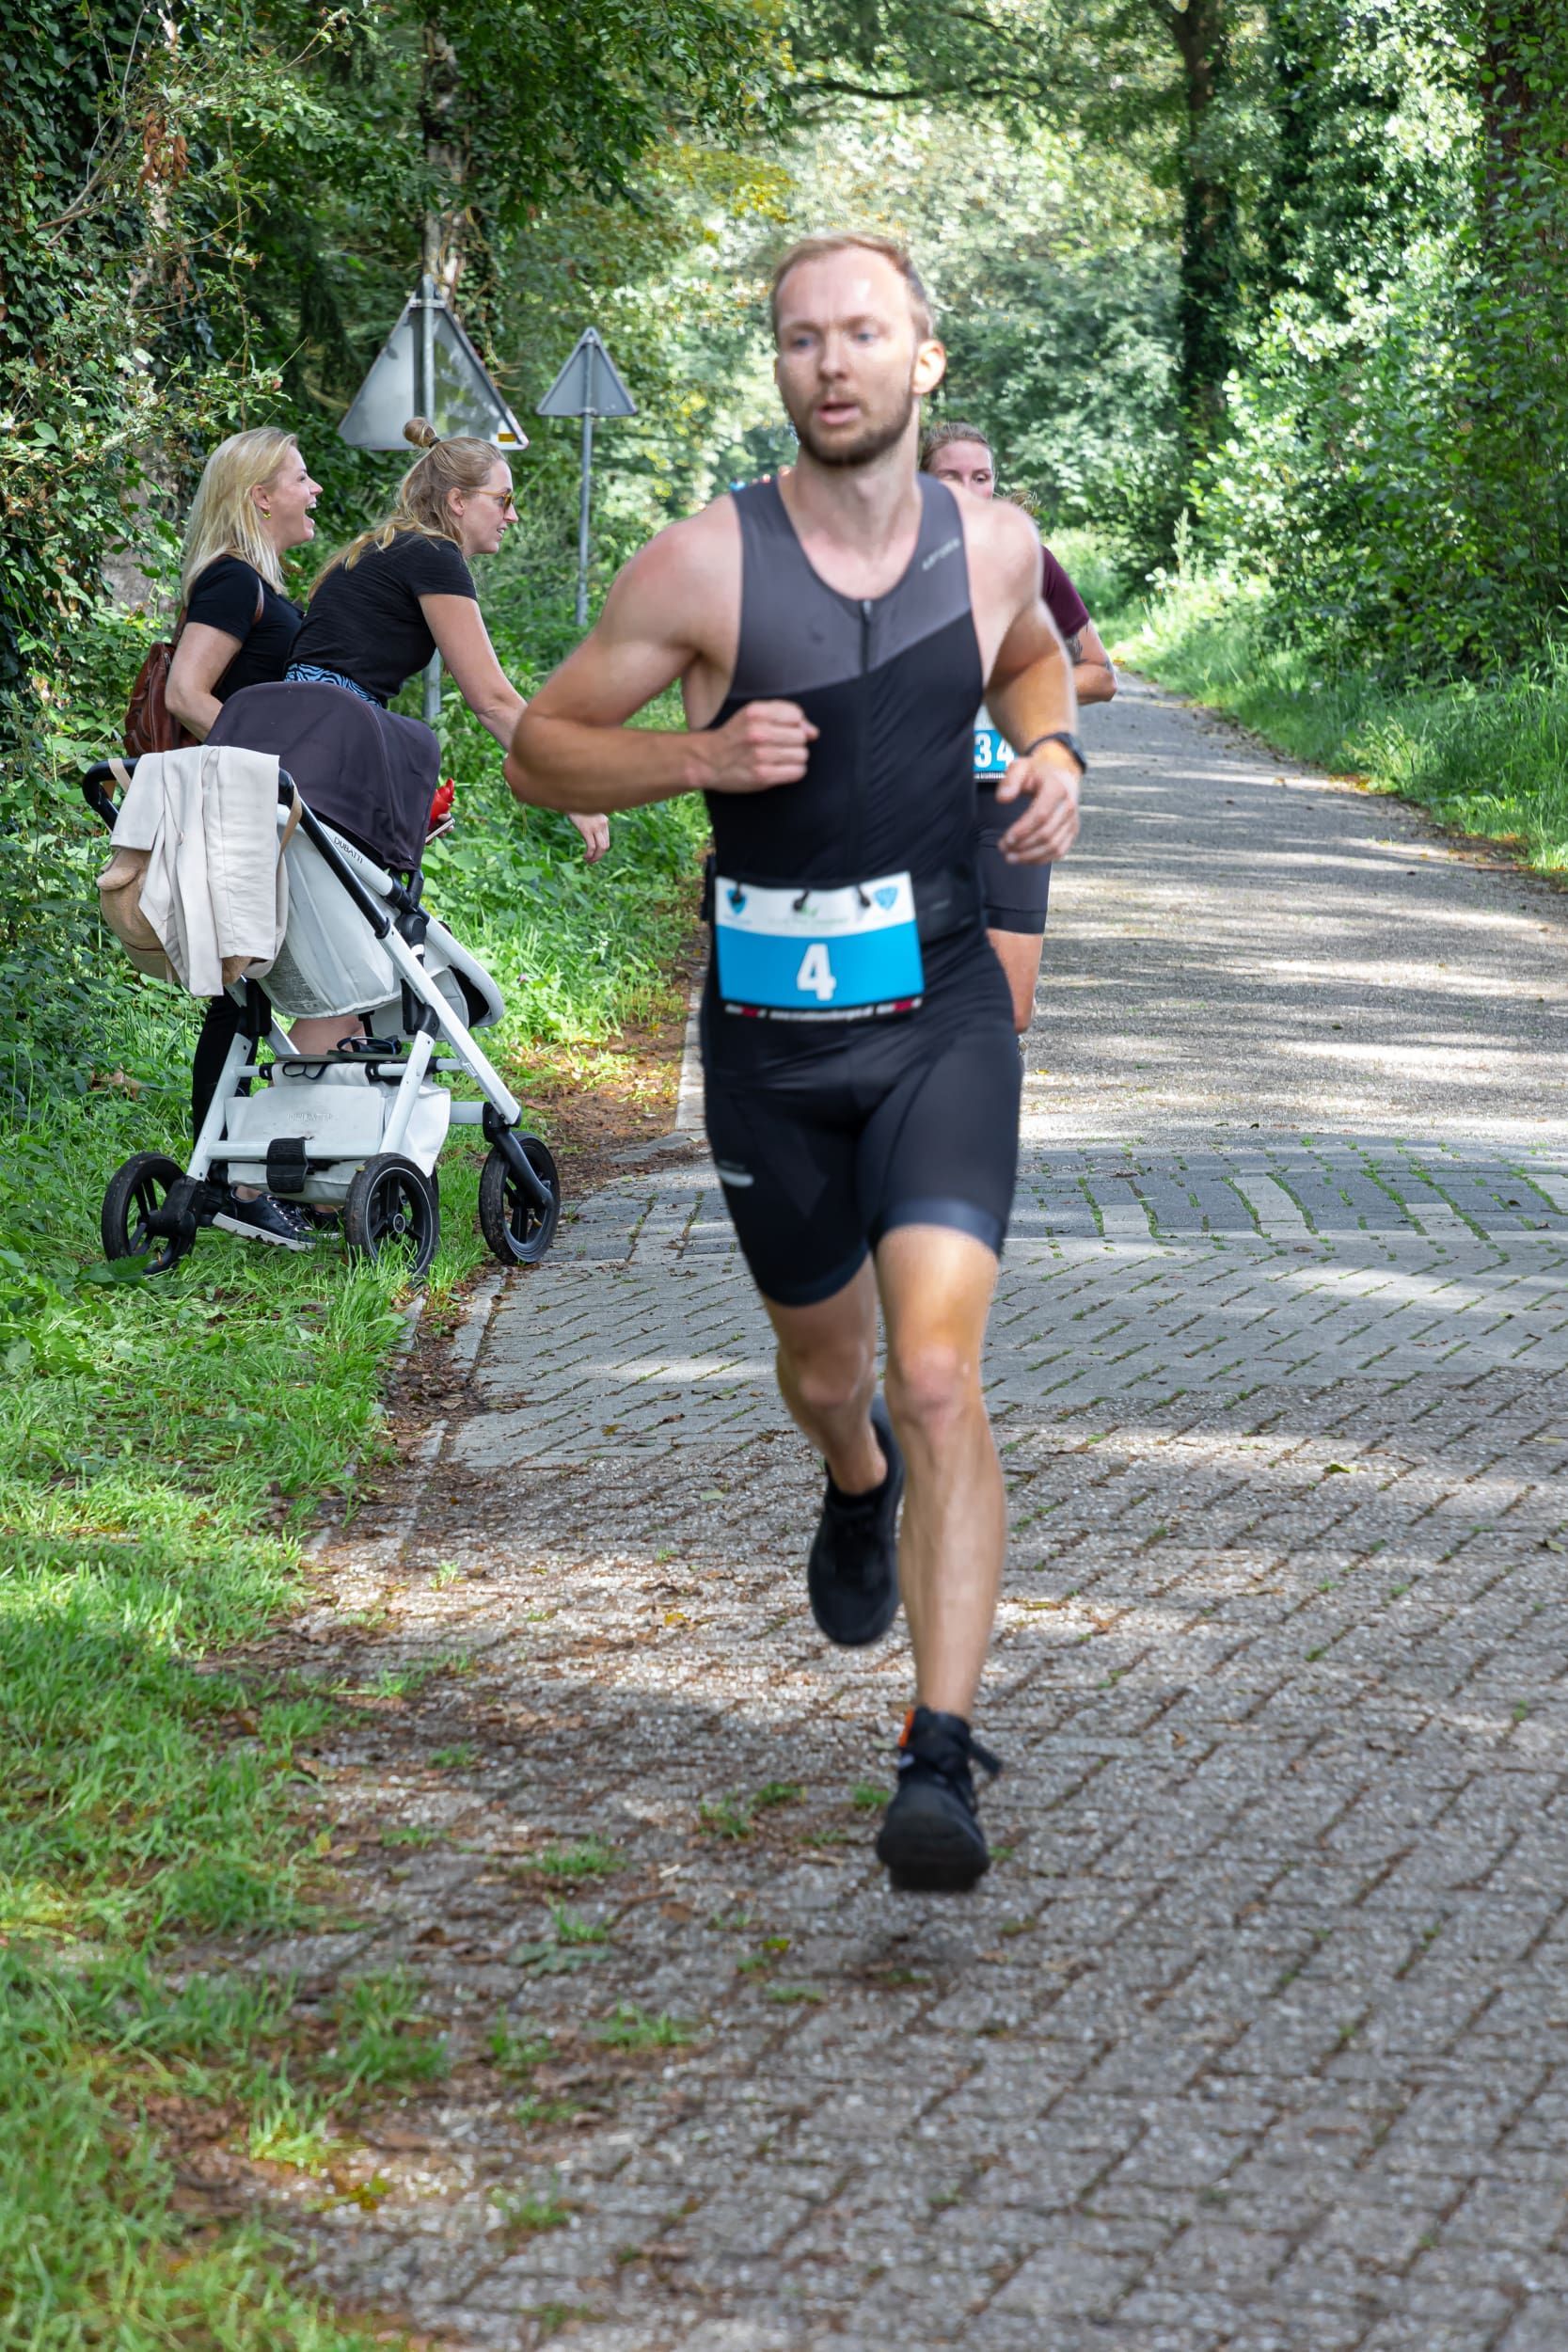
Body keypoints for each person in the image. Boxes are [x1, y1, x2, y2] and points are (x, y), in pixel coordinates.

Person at [505, 232, 1084, 1893]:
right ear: (778, 368)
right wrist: (695, 751)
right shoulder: (698, 568)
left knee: (937, 1374)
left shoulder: (994, 544)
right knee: (837, 1382)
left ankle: (940, 1756)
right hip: (768, 1047)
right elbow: (544, 748)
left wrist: (1050, 752)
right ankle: (848, 1486)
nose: (830, 363)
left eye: (861, 334)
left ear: (925, 360)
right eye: (798, 339)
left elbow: (1031, 654)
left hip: (942, 1017)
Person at [288, 418, 609, 867]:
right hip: (334, 735)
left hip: (305, 728)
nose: (512, 516)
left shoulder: (393, 547)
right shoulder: (433, 555)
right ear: (457, 500)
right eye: (503, 500)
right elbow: (492, 700)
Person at [165, 426, 329, 1248]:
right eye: (300, 479)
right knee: (239, 997)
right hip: (239, 809)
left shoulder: (255, 582)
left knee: (247, 998)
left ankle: (229, 1174)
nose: (314, 491)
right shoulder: (232, 581)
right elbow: (186, 690)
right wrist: (262, 766)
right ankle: (225, 1183)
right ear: (259, 496)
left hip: (252, 810)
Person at [921, 421, 1116, 1035]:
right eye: (949, 476)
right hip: (913, 799)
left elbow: (1099, 676)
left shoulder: (1027, 561)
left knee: (1009, 1010)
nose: (968, 489)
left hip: (1006, 794)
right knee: (900, 993)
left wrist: (998, 684)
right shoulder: (885, 564)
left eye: (981, 477)